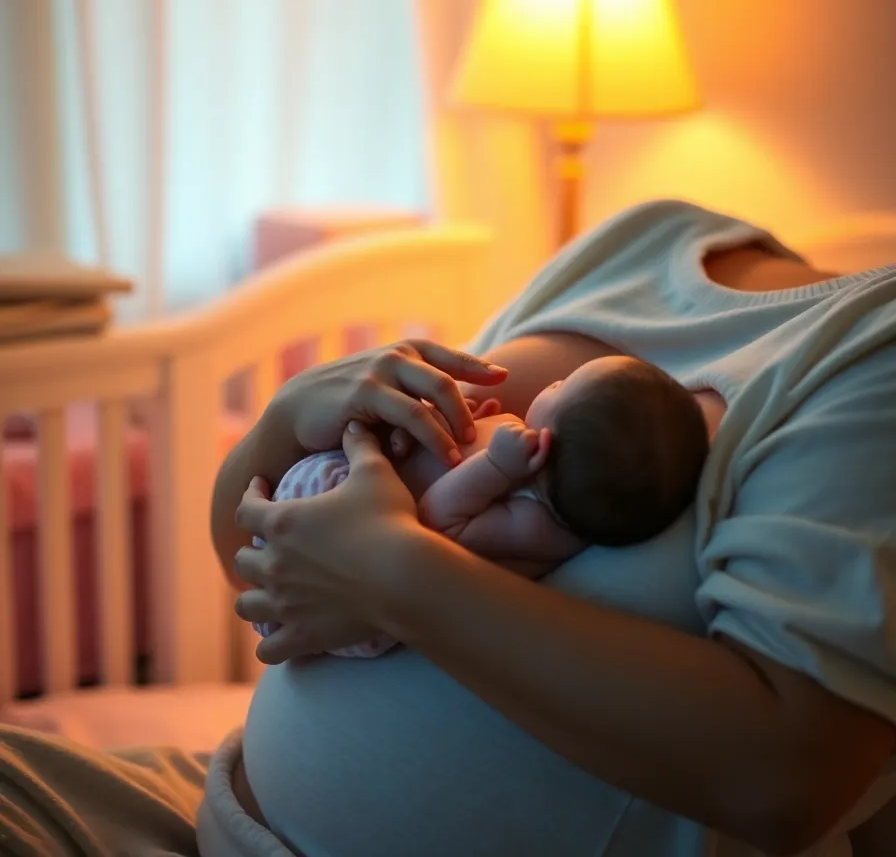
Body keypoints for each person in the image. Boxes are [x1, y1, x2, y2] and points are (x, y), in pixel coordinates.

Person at [0, 198, 893, 857]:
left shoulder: (867, 354)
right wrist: (283, 425)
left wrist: (397, 576)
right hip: (213, 808)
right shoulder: (637, 241)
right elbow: (263, 572)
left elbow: (783, 781)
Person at [252, 356, 710, 656]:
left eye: (563, 383)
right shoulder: (520, 449)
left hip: (335, 544)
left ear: (554, 437)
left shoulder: (539, 523)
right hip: (326, 523)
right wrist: (472, 425)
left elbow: (438, 524)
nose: (553, 380)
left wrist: (493, 464)